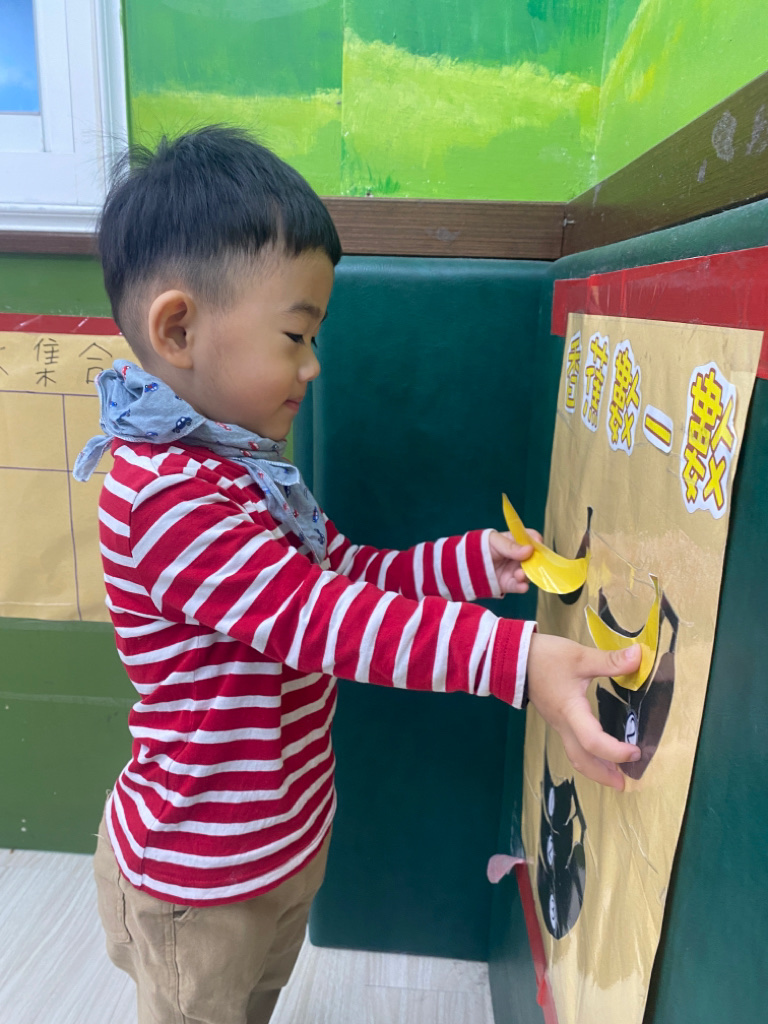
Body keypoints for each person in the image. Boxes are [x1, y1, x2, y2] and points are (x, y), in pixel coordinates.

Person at [75, 125, 641, 1024]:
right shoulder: (164, 495)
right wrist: (518, 661)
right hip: (202, 878)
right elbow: (325, 619)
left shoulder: (247, 469)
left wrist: (470, 563)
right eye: (296, 335)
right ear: (178, 329)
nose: (313, 364)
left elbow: (348, 574)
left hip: (280, 845)